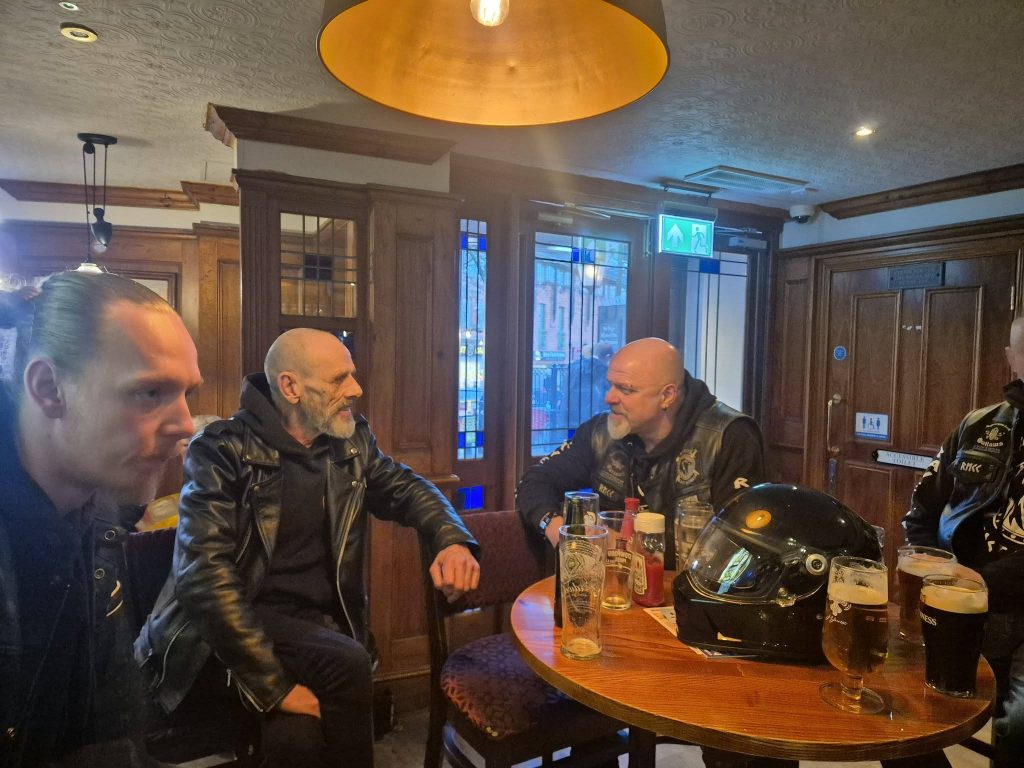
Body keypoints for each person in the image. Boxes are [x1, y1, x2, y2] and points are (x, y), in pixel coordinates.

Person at [136, 328, 480, 768]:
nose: (356, 389)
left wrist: (451, 540)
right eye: (339, 379)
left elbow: (408, 488)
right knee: (349, 661)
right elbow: (204, 579)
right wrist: (275, 689)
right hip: (226, 631)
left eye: (352, 375)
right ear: (291, 387)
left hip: (311, 629)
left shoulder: (349, 443)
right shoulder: (222, 449)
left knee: (295, 739)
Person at [0, 272, 201, 767]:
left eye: (186, 394)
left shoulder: (99, 516)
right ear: (49, 389)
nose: (185, 424)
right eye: (149, 392)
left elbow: (113, 732)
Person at [518, 337, 765, 565]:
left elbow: (741, 541)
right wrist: (556, 528)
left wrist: (629, 546)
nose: (608, 398)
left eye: (625, 389)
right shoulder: (600, 433)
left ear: (667, 395)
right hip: (613, 586)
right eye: (610, 385)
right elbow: (534, 480)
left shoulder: (728, 435)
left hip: (692, 590)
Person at [904, 316, 1024, 768]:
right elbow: (921, 510)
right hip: (956, 604)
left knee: (1019, 725)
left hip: (1015, 608)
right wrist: (935, 569)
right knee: (900, 704)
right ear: (1011, 359)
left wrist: (981, 580)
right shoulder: (978, 425)